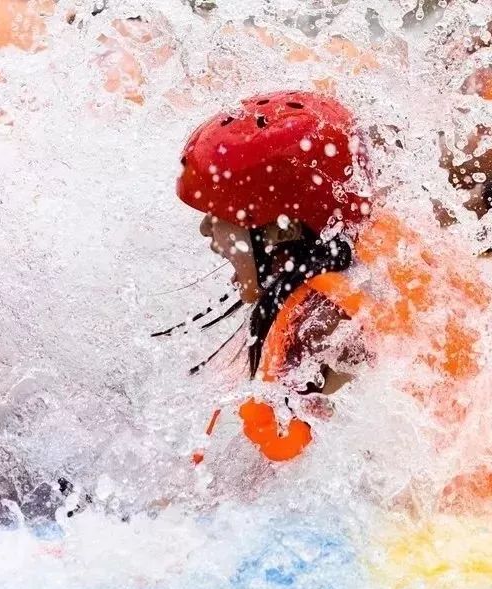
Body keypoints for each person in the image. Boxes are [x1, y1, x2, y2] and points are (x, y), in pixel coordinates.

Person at [172, 91, 487, 465]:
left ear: (283, 229)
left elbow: (326, 469)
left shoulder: (327, 328)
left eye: (220, 216)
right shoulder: (375, 260)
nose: (206, 229)